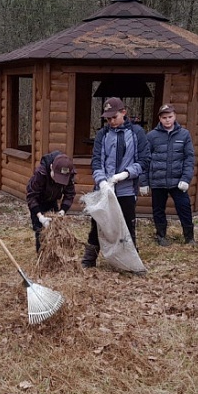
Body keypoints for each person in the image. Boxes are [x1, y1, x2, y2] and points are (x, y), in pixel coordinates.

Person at [80, 97, 150, 268]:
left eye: (114, 117)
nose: (111, 121)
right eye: (108, 118)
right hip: (104, 190)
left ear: (123, 113)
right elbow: (96, 161)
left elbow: (145, 160)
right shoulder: (102, 134)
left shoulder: (137, 133)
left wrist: (126, 174)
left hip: (126, 189)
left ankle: (130, 262)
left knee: (127, 225)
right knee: (98, 224)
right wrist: (102, 181)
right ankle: (89, 260)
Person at [141, 104, 196, 246]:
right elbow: (145, 160)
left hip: (178, 181)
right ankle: (161, 236)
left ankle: (189, 238)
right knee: (158, 209)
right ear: (160, 118)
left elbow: (189, 159)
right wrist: (144, 182)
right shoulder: (152, 136)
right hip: (158, 181)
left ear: (175, 116)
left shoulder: (184, 135)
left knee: (184, 207)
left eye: (170, 117)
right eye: (164, 117)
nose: (167, 120)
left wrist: (186, 179)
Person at [26, 151, 77, 252]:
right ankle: (41, 257)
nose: (58, 181)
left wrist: (62, 210)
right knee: (40, 230)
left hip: (52, 200)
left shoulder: (69, 172)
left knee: (56, 229)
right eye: (57, 177)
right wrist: (40, 217)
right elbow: (31, 196)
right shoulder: (40, 173)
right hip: (38, 201)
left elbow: (70, 194)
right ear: (51, 167)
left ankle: (55, 254)